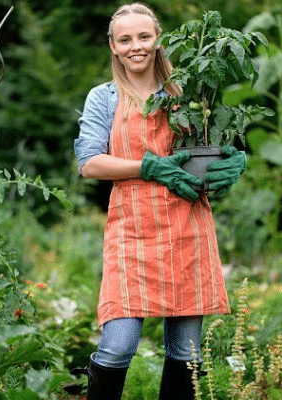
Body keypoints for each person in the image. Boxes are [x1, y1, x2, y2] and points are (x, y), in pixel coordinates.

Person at [71, 3, 245, 399]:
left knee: (186, 352)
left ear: (158, 40)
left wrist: (235, 157)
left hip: (187, 226)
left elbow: (213, 145)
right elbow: (90, 163)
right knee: (117, 345)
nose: (136, 46)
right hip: (132, 228)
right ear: (113, 47)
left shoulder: (187, 91)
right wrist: (150, 167)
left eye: (144, 37)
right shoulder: (105, 98)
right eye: (125, 39)